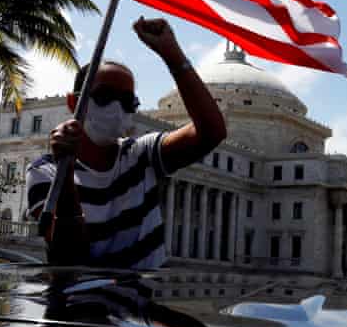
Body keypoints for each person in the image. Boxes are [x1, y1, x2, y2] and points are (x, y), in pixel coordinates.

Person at [26, 17, 226, 268]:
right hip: (80, 303)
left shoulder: (140, 154)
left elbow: (211, 132)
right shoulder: (45, 172)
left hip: (140, 300)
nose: (116, 108)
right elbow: (70, 254)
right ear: (72, 103)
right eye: (104, 96)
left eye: (128, 101)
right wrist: (65, 170)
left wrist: (172, 54)